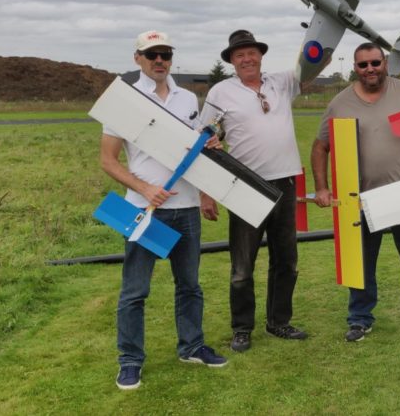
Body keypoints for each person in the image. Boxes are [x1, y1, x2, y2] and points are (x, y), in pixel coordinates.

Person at [101, 30, 227, 390]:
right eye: (152, 54)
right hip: (142, 210)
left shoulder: (188, 98)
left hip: (186, 208)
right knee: (135, 291)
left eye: (165, 54)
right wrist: (144, 189)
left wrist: (206, 184)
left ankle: (192, 346)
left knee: (189, 285)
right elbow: (107, 161)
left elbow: (197, 149)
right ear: (137, 58)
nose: (160, 60)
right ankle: (129, 360)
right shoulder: (123, 101)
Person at [311, 43, 400, 342]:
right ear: (355, 68)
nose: (370, 69)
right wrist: (322, 187)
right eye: (362, 65)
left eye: (375, 62)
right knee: (360, 262)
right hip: (358, 199)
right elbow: (320, 146)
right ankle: (360, 319)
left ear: (385, 62)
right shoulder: (340, 103)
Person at [200, 30, 307, 353]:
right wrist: (206, 193)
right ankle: (242, 328)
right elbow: (203, 141)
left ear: (261, 55)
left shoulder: (282, 82)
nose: (247, 59)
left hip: (286, 183)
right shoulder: (220, 92)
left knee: (286, 260)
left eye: (251, 53)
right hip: (245, 184)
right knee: (242, 265)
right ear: (232, 61)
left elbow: (315, 60)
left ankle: (279, 322)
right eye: (239, 55)